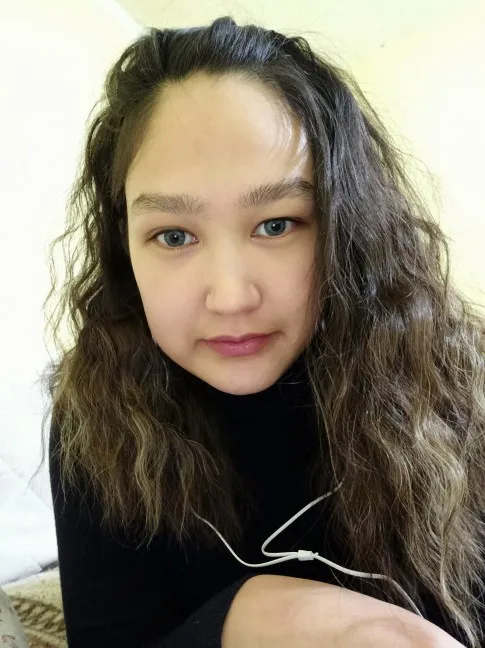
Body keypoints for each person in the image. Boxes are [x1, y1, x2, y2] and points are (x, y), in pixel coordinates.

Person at [40, 15, 485, 648]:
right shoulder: (96, 415)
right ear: (123, 249)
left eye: (277, 225)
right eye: (174, 235)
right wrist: (251, 615)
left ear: (347, 226)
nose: (231, 297)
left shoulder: (451, 387)